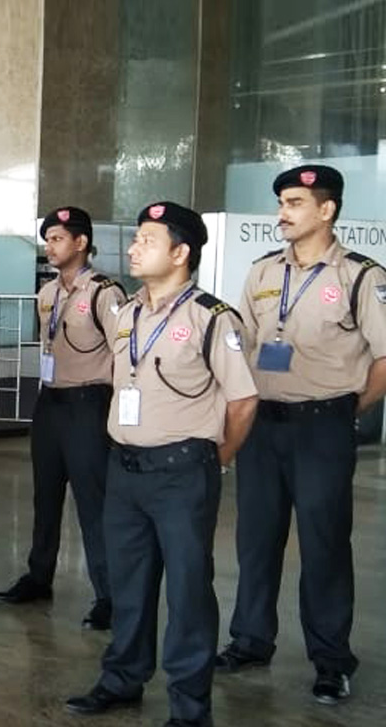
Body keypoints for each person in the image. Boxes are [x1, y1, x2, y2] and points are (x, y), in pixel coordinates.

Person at [65, 201, 257, 727]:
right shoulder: (127, 312)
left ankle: (190, 707)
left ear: (180, 253)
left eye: (147, 240)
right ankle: (122, 679)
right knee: (128, 583)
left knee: (188, 590)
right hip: (124, 469)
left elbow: (243, 401)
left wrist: (214, 460)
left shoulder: (211, 318)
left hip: (182, 472)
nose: (133, 248)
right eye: (135, 239)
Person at [216, 164, 386, 706]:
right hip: (263, 425)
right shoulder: (263, 271)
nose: (282, 213)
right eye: (281, 203)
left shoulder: (361, 277)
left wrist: (347, 408)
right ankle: (250, 640)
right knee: (256, 538)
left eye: (293, 203)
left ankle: (331, 660)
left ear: (326, 210)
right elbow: (241, 343)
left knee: (324, 543)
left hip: (322, 427)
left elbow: (385, 358)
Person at [0, 207, 125, 630]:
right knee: (45, 495)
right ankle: (39, 575)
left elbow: (124, 355)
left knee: (92, 500)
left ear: (81, 242)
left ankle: (109, 594)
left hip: (89, 402)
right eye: (47, 239)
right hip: (50, 402)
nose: (49, 247)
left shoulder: (105, 293)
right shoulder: (47, 292)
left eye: (57, 239)